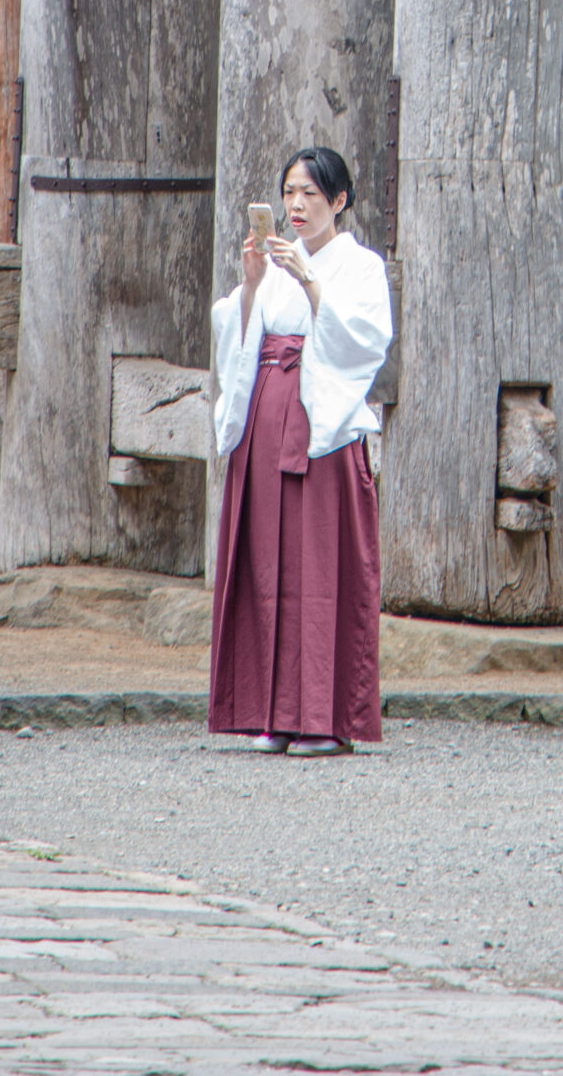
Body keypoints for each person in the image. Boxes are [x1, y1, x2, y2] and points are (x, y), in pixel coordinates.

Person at [209, 146, 393, 756]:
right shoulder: (271, 265)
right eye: (290, 192)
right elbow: (238, 333)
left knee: (319, 568)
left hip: (322, 426)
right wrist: (254, 285)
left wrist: (310, 280)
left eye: (311, 194)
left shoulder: (360, 267)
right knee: (266, 562)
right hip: (267, 417)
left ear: (339, 201)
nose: (296, 205)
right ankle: (271, 712)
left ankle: (323, 718)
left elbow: (364, 341)